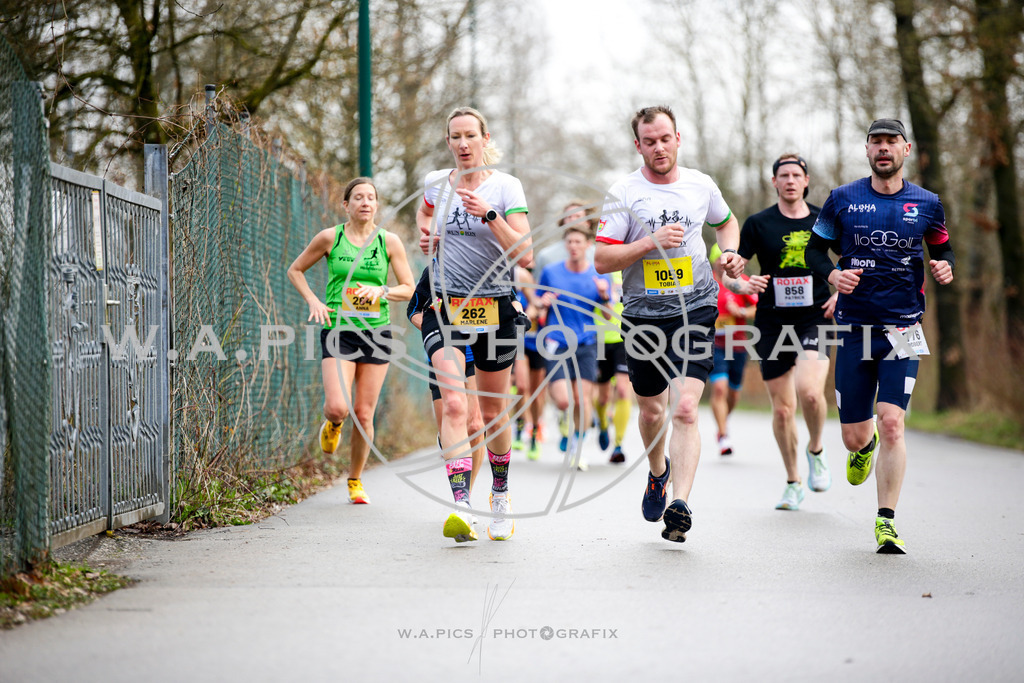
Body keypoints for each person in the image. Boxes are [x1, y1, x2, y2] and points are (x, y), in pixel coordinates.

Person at [595, 105, 744, 543]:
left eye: (665, 138)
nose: (659, 147)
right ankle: (657, 472)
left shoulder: (702, 185)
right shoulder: (624, 192)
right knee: (652, 409)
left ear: (678, 138)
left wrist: (729, 253)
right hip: (642, 315)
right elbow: (602, 260)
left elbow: (725, 222)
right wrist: (649, 243)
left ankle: (680, 503)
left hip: (695, 308)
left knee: (683, 408)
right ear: (637, 145)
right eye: (649, 141)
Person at [806, 118, 955, 553]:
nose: (884, 149)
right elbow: (816, 250)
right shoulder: (843, 200)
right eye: (876, 142)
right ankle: (861, 445)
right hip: (854, 328)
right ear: (867, 150)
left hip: (905, 327)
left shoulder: (928, 203)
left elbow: (941, 246)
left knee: (892, 421)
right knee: (857, 434)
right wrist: (833, 274)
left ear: (906, 149)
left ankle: (886, 520)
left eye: (892, 142)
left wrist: (945, 263)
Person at [417, 106, 532, 543]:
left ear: (485, 139)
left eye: (470, 135)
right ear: (448, 142)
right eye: (455, 137)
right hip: (445, 307)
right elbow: (425, 217)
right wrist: (426, 236)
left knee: (490, 412)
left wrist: (488, 214)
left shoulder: (506, 187)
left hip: (495, 307)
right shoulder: (434, 184)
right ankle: (460, 504)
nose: (463, 144)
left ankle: (499, 497)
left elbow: (525, 253)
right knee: (453, 404)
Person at [287, 177, 414, 504]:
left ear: (377, 204)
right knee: (338, 407)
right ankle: (332, 424)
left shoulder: (389, 242)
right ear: (346, 204)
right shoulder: (331, 237)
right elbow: (296, 270)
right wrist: (314, 301)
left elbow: (409, 288)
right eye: (358, 197)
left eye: (371, 197)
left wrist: (383, 290)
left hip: (377, 333)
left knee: (364, 412)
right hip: (339, 331)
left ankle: (355, 479)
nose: (365, 203)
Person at [725, 154, 836, 511]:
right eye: (783, 175)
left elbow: (851, 260)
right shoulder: (758, 224)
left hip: (815, 317)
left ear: (806, 181)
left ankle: (816, 449)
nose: (789, 180)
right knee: (784, 410)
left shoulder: (825, 219)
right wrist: (743, 284)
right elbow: (731, 272)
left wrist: (840, 295)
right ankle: (793, 481)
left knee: (810, 392)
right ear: (774, 182)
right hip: (772, 321)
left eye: (796, 175)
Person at [537, 223, 612, 471]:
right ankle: (564, 425)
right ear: (565, 246)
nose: (573, 246)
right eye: (569, 242)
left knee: (581, 399)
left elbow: (608, 316)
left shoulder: (599, 275)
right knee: (563, 401)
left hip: (587, 343)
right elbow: (538, 306)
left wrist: (603, 297)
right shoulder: (550, 272)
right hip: (556, 340)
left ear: (588, 245)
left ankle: (576, 446)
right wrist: (543, 303)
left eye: (579, 242)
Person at [407, 266, 487, 496]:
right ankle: (449, 443)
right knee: (450, 423)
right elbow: (413, 309)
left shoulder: (489, 266)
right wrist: (437, 331)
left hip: (476, 355)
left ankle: (465, 499)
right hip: (445, 354)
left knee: (475, 425)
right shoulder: (436, 268)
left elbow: (509, 303)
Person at [707, 243, 757, 457]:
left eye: (726, 258)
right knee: (719, 388)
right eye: (718, 258)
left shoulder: (740, 282)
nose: (722, 262)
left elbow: (758, 307)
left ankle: (723, 421)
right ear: (713, 261)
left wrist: (743, 312)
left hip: (737, 343)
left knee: (734, 392)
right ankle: (724, 434)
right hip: (712, 344)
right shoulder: (705, 283)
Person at [592, 269, 634, 463]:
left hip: (624, 339)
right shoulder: (595, 270)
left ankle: (618, 445)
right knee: (603, 397)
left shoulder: (631, 268)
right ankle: (602, 425)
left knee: (624, 391)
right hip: (599, 339)